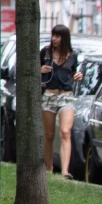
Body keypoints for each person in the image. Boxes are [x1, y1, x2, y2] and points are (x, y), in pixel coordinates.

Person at [41, 24, 83, 177]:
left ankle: (65, 170)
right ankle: (49, 168)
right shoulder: (45, 53)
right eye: (53, 35)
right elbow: (32, 70)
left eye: (57, 36)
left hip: (66, 95)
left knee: (65, 132)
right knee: (50, 134)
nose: (54, 39)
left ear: (64, 38)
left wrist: (77, 76)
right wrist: (40, 70)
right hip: (49, 96)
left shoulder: (72, 55)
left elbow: (71, 74)